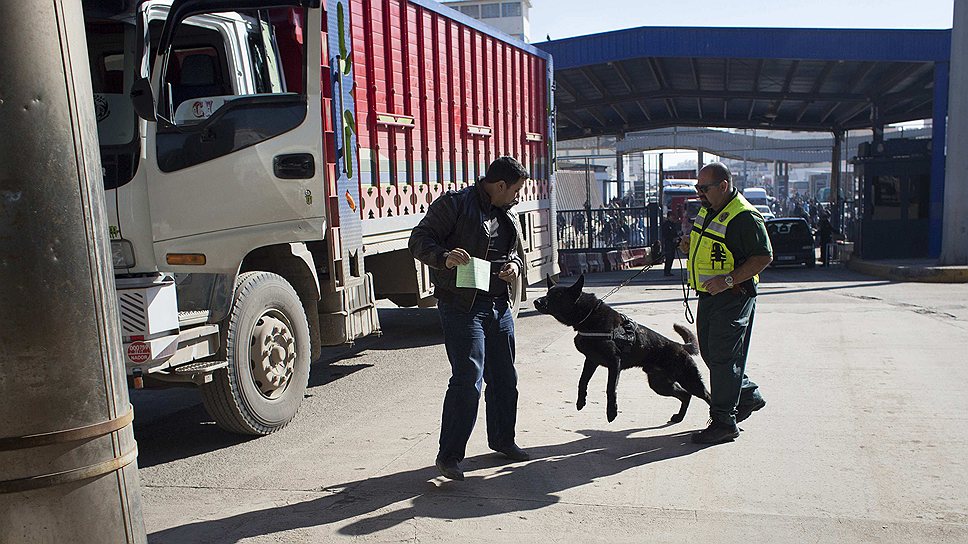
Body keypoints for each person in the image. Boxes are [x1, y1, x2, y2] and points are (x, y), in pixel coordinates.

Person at [408, 156, 530, 481]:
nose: (518, 196)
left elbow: (516, 252)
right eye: (516, 190)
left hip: (498, 306)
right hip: (462, 307)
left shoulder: (508, 214)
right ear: (500, 185)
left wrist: (514, 266)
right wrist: (444, 258)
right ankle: (449, 457)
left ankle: (504, 440)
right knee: (468, 379)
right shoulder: (455, 204)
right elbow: (419, 241)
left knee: (505, 378)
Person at [678, 163, 773, 444]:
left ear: (723, 186)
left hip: (732, 297)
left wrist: (729, 281)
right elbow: (712, 245)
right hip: (709, 295)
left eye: (703, 188)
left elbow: (762, 257)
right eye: (697, 188)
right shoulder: (710, 210)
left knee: (723, 357)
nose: (699, 194)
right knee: (709, 353)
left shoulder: (744, 217)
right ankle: (747, 396)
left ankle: (724, 421)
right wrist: (688, 245)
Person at [661, 210, 680, 276]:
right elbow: (665, 234)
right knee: (668, 257)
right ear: (668, 217)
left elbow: (675, 232)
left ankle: (668, 271)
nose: (673, 218)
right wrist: (672, 238)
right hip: (668, 243)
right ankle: (666, 271)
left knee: (672, 257)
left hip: (673, 243)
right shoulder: (666, 225)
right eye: (672, 216)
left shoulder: (673, 224)